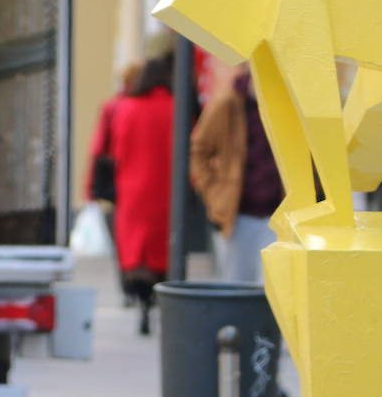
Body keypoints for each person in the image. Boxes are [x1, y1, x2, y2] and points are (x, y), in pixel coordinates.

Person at [191, 70, 284, 284]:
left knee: (272, 287)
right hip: (239, 213)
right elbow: (199, 149)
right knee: (237, 283)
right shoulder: (228, 103)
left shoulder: (286, 104)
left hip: (278, 214)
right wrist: (212, 192)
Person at [107, 50, 175, 335]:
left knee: (136, 246)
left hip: (132, 188)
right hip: (166, 189)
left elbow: (116, 150)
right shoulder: (175, 106)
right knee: (161, 247)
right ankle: (156, 295)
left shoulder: (126, 108)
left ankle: (139, 297)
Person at [86, 63, 142, 306]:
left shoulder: (114, 107)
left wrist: (91, 189)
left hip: (117, 186)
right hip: (140, 185)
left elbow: (98, 150)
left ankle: (127, 288)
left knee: (122, 239)